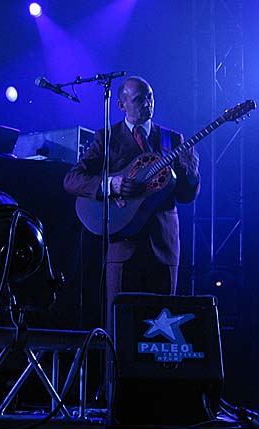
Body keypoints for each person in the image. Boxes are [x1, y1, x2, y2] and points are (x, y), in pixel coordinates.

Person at [63, 76, 200, 335]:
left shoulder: (172, 139)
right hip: (122, 247)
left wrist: (192, 175)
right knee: (120, 330)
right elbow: (72, 179)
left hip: (163, 247)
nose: (147, 103)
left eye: (150, 97)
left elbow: (184, 196)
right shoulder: (108, 137)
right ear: (121, 104)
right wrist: (111, 185)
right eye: (139, 99)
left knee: (162, 333)